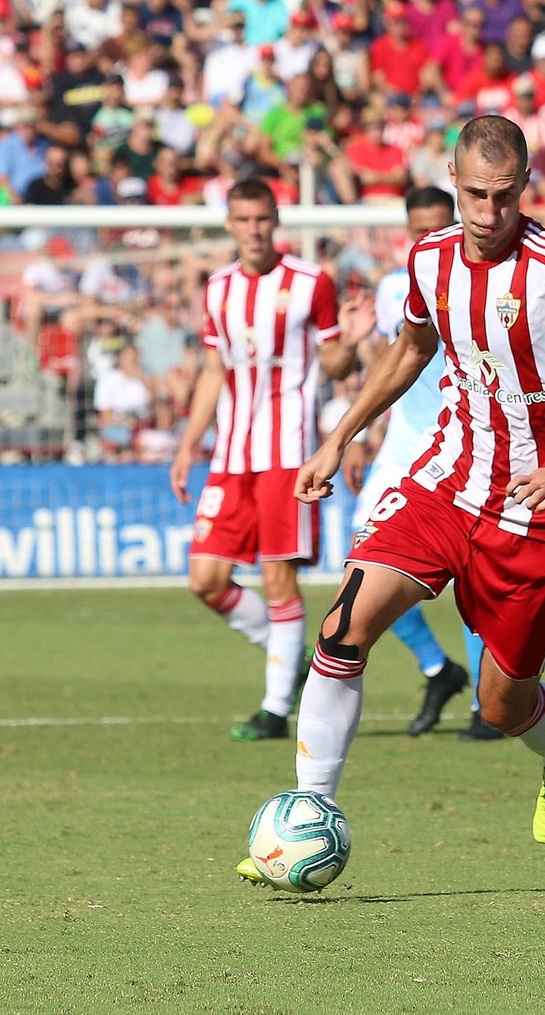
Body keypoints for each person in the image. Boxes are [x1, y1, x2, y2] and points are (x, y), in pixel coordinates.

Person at [237, 117, 545, 887]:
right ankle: (308, 813)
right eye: (473, 192)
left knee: (505, 704)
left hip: (541, 511)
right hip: (449, 478)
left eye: (504, 195)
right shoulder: (427, 258)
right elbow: (408, 350)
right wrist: (338, 435)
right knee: (342, 629)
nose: (486, 210)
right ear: (451, 177)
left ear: (526, 185)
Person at [170, 178, 364, 743]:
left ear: (275, 220)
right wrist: (188, 444)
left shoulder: (310, 283)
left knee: (278, 577)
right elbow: (214, 371)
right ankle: (291, 654)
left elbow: (331, 363)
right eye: (243, 219)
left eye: (262, 218)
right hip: (231, 455)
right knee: (205, 579)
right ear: (229, 224)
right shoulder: (218, 289)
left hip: (288, 455)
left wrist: (349, 342)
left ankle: (276, 708)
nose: (254, 229)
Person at [347, 186, 498, 742]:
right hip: (403, 443)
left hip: (467, 441)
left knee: (473, 575)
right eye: (420, 230)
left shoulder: (483, 279)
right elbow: (378, 362)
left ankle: (487, 700)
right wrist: (359, 435)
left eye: (442, 226)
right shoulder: (393, 288)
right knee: (361, 561)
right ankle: (439, 669)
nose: (432, 238)